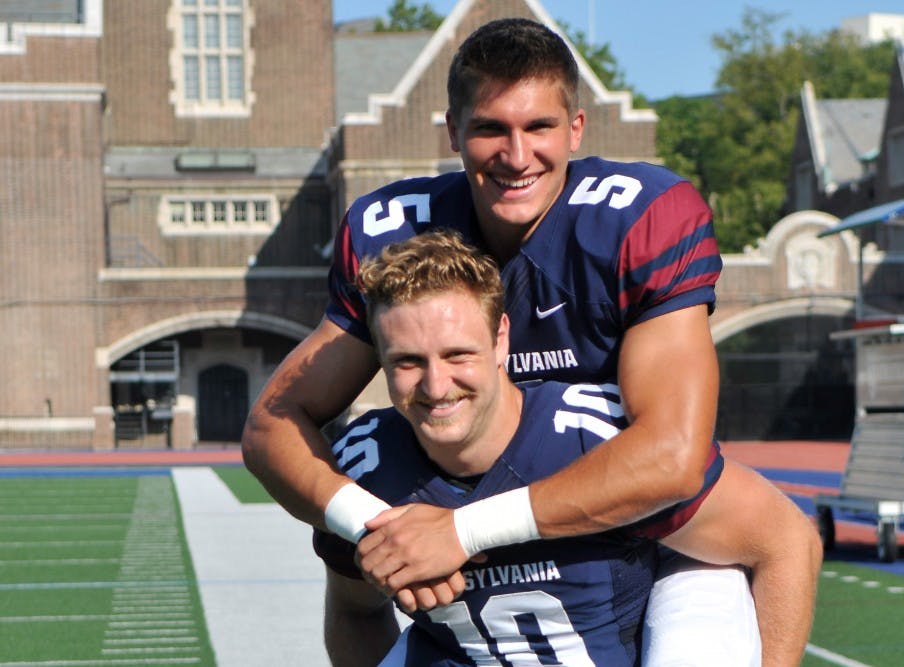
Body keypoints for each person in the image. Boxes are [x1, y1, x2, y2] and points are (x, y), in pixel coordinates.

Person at [242, 17, 821, 666]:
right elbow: (272, 422)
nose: (517, 156)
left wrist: (462, 530)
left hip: (643, 516)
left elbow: (672, 456)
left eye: (539, 127)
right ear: (454, 131)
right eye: (491, 127)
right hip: (453, 494)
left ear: (575, 128)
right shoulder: (394, 233)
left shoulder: (637, 218)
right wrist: (381, 530)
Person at [323, 230, 801, 666]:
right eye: (407, 361)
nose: (436, 383)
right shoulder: (366, 465)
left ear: (500, 340)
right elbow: (355, 612)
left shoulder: (593, 434)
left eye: (457, 354)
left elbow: (784, 539)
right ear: (379, 360)